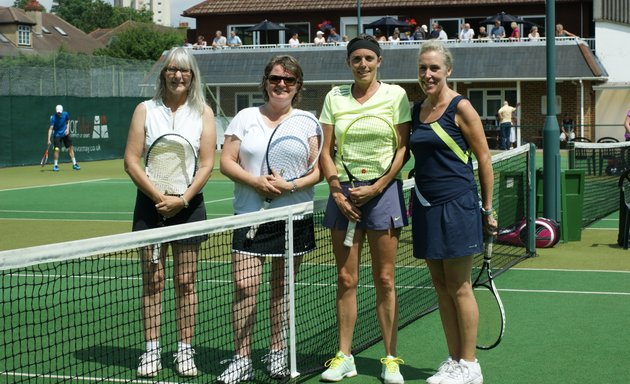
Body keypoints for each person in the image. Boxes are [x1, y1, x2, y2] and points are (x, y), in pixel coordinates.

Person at [218, 55, 321, 383]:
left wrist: (289, 185)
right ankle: (241, 357)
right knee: (244, 286)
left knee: (281, 288)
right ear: (265, 81)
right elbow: (226, 162)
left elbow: (317, 169)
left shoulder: (307, 121)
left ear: (297, 87)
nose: (281, 85)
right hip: (249, 215)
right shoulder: (245, 117)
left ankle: (277, 351)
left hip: (294, 215)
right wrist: (258, 182)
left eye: (289, 81)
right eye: (276, 78)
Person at [318, 34, 411, 384]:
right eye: (356, 59)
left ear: (379, 61)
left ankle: (390, 358)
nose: (363, 65)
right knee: (345, 278)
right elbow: (326, 150)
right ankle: (345, 356)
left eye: (369, 59)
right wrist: (336, 189)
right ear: (348, 63)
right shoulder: (334, 97)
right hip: (343, 194)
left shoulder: (396, 95)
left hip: (383, 192)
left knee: (385, 278)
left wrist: (378, 185)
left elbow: (403, 147)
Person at [124, 47, 216, 378]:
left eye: (185, 71)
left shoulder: (203, 112)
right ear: (164, 73)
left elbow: (207, 164)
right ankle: (151, 351)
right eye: (172, 70)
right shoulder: (144, 110)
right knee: (153, 281)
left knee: (186, 281)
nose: (178, 76)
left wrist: (183, 199)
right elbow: (132, 160)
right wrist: (157, 195)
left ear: (193, 77)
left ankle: (184, 351)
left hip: (188, 206)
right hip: (150, 206)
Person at [410, 40, 496, 384]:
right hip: (425, 206)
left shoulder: (461, 107)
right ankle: (454, 359)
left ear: (448, 71)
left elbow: (485, 158)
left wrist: (488, 209)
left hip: (457, 205)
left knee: (460, 286)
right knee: (440, 286)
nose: (428, 74)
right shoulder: (416, 110)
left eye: (434, 68)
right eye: (422, 68)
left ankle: (471, 365)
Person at [47, 104, 80, 172]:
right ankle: (55, 165)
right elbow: (50, 129)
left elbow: (67, 122)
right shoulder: (53, 118)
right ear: (56, 111)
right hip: (57, 135)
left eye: (60, 112)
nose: (59, 113)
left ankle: (74, 164)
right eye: (58, 112)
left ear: (62, 111)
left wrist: (67, 129)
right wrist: (48, 139)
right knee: (56, 149)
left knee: (70, 147)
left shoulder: (65, 114)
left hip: (65, 134)